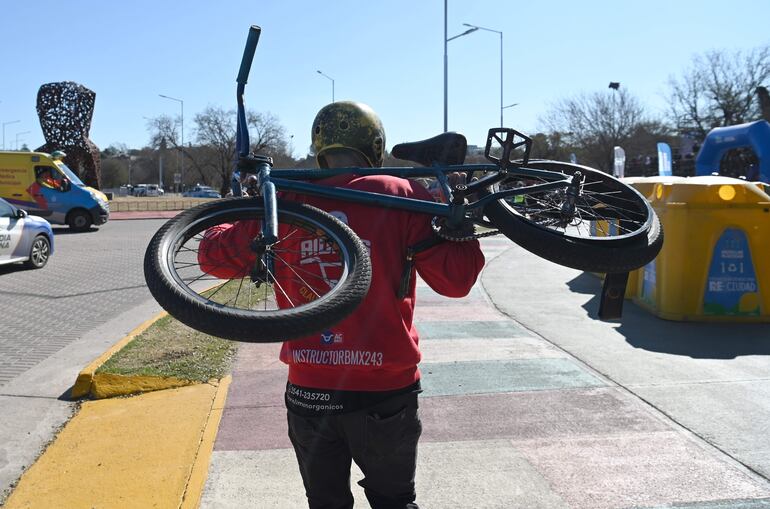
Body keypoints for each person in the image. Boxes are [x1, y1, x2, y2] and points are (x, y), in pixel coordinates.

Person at [198, 101, 485, 509]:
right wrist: (461, 227)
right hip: (386, 388)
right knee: (394, 501)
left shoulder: (285, 197)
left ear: (319, 144)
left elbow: (211, 257)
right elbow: (457, 281)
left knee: (325, 503)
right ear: (375, 143)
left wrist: (236, 208)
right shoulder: (402, 192)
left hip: (310, 386)